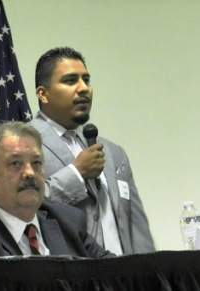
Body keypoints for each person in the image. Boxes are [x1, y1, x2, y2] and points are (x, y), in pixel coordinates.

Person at [29, 47, 155, 255]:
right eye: (70, 81)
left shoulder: (114, 153)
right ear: (43, 94)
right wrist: (76, 174)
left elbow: (136, 228)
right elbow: (22, 207)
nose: (84, 88)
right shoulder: (24, 146)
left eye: (86, 80)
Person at [0, 122, 112, 257]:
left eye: (36, 163)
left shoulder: (67, 220)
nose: (30, 173)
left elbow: (117, 274)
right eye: (16, 164)